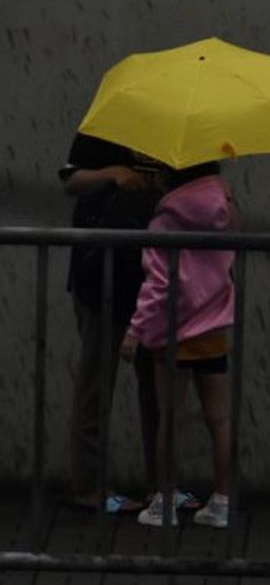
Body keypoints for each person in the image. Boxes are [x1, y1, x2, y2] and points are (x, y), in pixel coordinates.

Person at [118, 161, 236, 529]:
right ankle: (222, 502)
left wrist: (134, 331)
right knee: (219, 419)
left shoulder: (164, 221)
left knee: (170, 418)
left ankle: (164, 502)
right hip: (213, 328)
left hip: (174, 332)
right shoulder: (227, 212)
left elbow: (158, 284)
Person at [59, 133, 169, 514]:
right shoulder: (106, 121)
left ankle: (161, 483)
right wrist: (112, 173)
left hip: (154, 278)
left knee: (157, 386)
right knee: (97, 383)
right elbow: (71, 181)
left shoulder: (180, 126)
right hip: (101, 273)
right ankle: (88, 485)